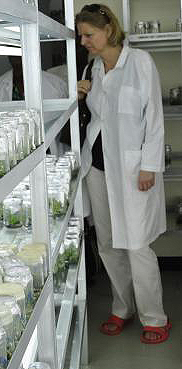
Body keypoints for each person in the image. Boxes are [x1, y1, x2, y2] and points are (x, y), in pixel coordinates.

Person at [76, 4, 169, 344]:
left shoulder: (140, 63)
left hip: (133, 170)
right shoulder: (93, 68)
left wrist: (149, 165)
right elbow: (97, 119)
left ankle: (154, 316)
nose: (84, 41)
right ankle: (121, 308)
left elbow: (154, 119)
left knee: (137, 244)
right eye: (81, 35)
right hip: (97, 168)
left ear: (109, 30)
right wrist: (80, 96)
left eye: (89, 34)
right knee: (109, 244)